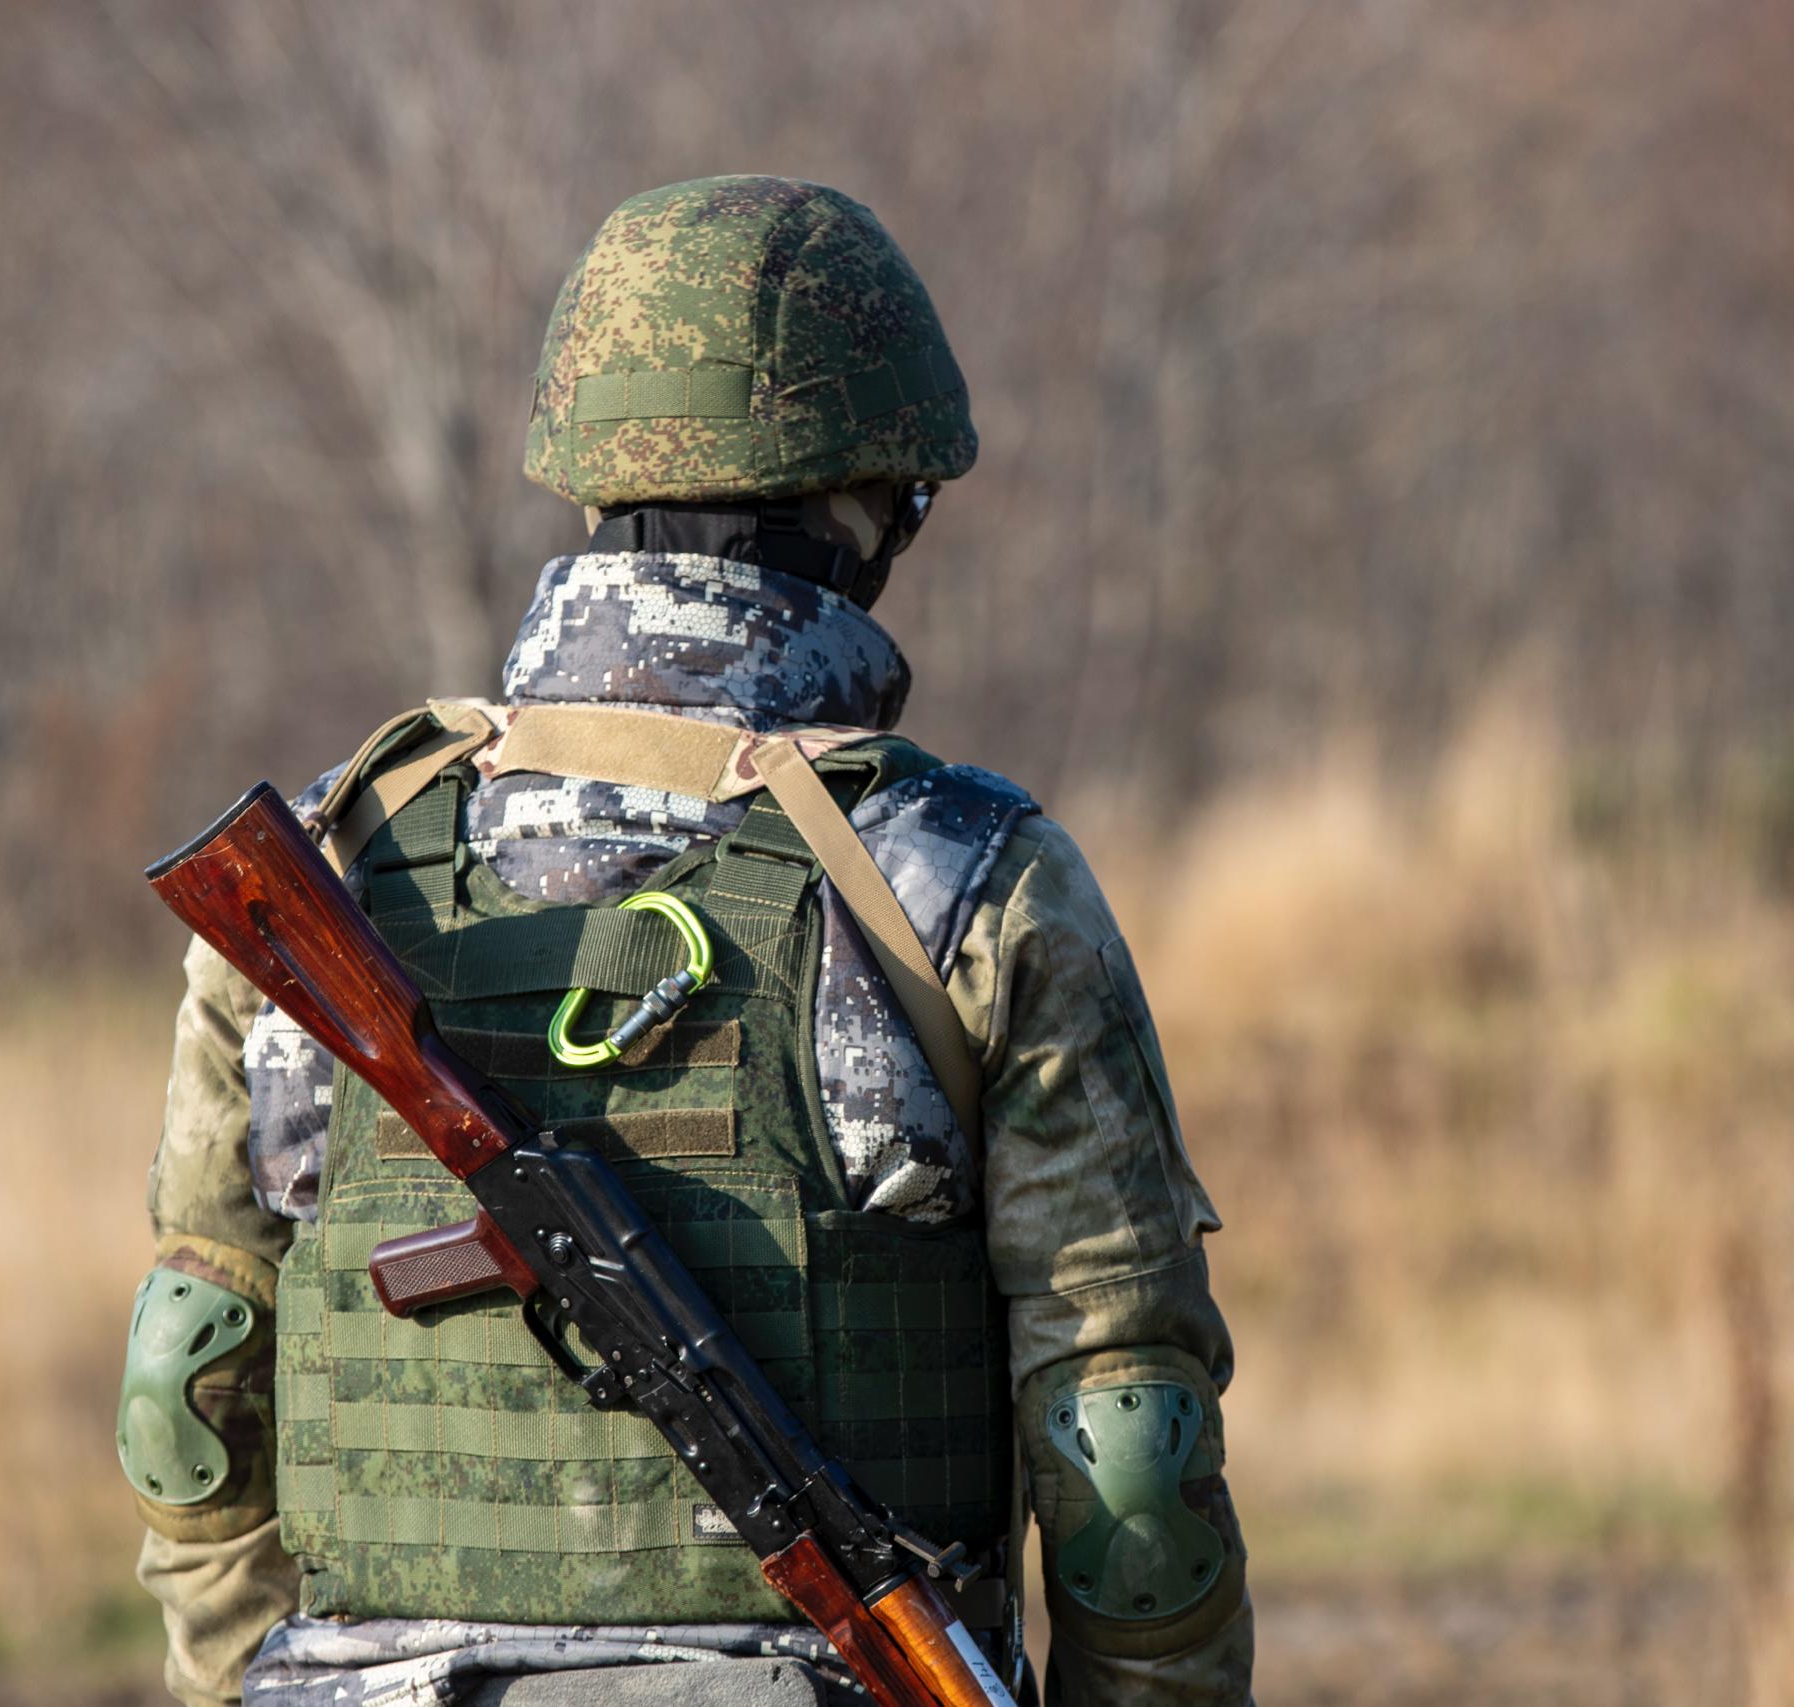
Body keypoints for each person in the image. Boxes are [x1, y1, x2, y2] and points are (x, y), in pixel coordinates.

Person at [121, 176, 1252, 1707]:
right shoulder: (958, 880)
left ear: (586, 475)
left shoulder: (331, 864)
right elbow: (1127, 1455)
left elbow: (184, 1384)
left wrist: (238, 1686)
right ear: (880, 500)